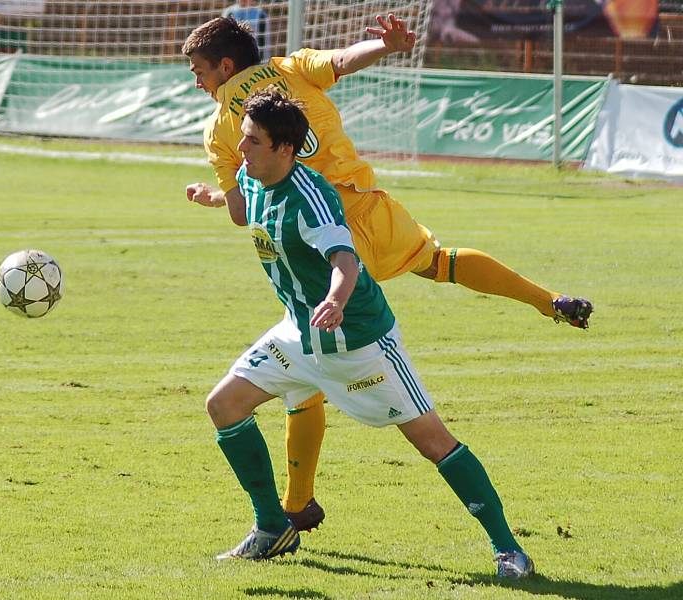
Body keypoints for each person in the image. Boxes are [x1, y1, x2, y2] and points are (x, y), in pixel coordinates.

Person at [183, 14, 593, 533]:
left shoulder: (222, 126)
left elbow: (247, 205)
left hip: (315, 235)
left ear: (224, 66)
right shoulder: (292, 68)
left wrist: (217, 198)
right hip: (367, 211)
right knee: (441, 262)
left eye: (199, 70)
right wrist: (386, 45)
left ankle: (295, 503)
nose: (197, 82)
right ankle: (547, 299)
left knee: (304, 380)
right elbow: (342, 61)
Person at [207, 87, 534, 579]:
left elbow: (344, 257)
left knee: (432, 442)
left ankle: (510, 551)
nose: (242, 149)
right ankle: (273, 526)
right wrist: (211, 196)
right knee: (223, 405)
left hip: (358, 342)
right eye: (243, 139)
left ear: (284, 149)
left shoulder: (311, 196)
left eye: (252, 141)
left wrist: (336, 300)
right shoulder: (251, 179)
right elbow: (248, 206)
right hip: (299, 335)